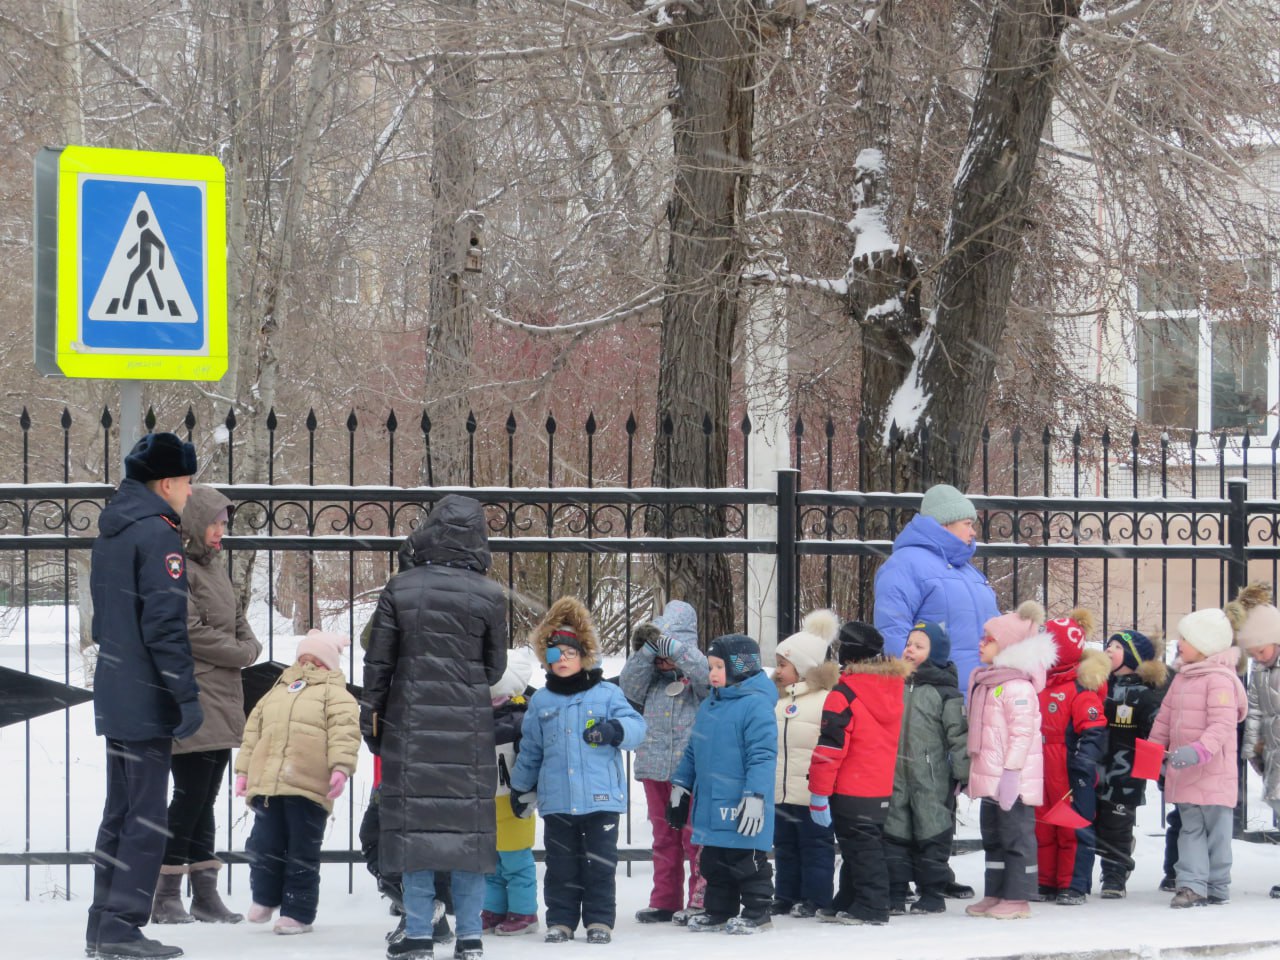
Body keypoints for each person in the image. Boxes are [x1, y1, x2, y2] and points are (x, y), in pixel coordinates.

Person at [363, 494, 508, 960]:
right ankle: (470, 938)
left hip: (410, 726)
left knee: (415, 839)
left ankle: (420, 936)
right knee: (467, 840)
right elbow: (493, 666)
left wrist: (374, 722)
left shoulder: (401, 588)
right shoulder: (489, 595)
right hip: (466, 729)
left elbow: (378, 664)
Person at [87, 432, 202, 960]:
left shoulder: (113, 529)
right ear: (168, 482)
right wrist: (185, 696)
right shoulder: (157, 536)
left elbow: (107, 619)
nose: (190, 494)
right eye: (188, 483)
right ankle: (123, 926)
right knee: (146, 818)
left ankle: (104, 923)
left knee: (122, 811)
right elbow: (163, 626)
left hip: (116, 689)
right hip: (146, 695)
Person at [151, 485, 262, 926]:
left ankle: (205, 894)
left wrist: (248, 646)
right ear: (196, 523)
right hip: (193, 696)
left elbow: (240, 622)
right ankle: (165, 893)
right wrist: (240, 652)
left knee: (205, 798)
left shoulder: (216, 569)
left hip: (224, 696)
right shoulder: (178, 568)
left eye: (225, 523)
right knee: (189, 795)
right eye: (215, 522)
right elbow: (190, 630)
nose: (221, 531)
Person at [508, 597, 646, 945]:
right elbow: (531, 750)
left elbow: (637, 727)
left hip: (601, 799)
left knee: (600, 866)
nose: (563, 660)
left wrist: (615, 730)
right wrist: (521, 788)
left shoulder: (606, 693)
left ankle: (599, 920)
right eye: (554, 654)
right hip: (557, 800)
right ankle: (562, 921)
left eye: (570, 653)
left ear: (584, 656)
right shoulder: (541, 702)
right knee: (561, 866)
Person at [234, 630, 360, 934]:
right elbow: (253, 733)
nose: (309, 663)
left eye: (316, 659)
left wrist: (341, 768)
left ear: (329, 663)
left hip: (308, 785)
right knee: (264, 844)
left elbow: (345, 733)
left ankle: (298, 912)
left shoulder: (336, 694)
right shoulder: (278, 690)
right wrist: (244, 771)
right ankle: (265, 898)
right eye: (304, 657)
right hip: (269, 786)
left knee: (301, 850)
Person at [669, 634, 778, 934]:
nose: (712, 673)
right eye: (710, 667)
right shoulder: (710, 705)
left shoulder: (755, 706)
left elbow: (763, 756)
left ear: (741, 668)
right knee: (715, 862)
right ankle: (719, 909)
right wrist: (681, 785)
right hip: (711, 800)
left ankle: (758, 912)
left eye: (719, 667)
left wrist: (755, 796)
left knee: (746, 859)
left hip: (742, 801)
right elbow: (693, 750)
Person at [807, 621, 907, 926]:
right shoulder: (890, 689)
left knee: (861, 849)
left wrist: (819, 791)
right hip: (877, 786)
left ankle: (873, 904)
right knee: (860, 845)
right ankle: (849, 898)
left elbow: (831, 747)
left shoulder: (844, 694)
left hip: (850, 786)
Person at [617, 599, 709, 925]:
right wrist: (646, 650)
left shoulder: (697, 682)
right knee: (664, 837)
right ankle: (664, 900)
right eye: (660, 651)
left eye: (672, 650)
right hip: (655, 769)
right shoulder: (651, 681)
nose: (665, 658)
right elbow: (627, 684)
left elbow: (706, 675)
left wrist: (679, 651)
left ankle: (700, 899)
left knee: (693, 837)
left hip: (690, 773)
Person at [1149, 608, 1248, 908]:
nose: (1179, 643)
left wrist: (1199, 750)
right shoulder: (1181, 678)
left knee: (1217, 832)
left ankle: (1217, 883)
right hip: (1185, 770)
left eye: (1186, 638)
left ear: (1205, 645)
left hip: (1213, 770)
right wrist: (1154, 750)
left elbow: (1222, 725)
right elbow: (1164, 719)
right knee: (1189, 827)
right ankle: (1191, 884)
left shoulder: (1219, 681)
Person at [964, 600, 1053, 921]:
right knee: (995, 837)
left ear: (1008, 647)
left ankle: (1018, 896)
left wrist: (1012, 775)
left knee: (1016, 836)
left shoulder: (1016, 687)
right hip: (993, 777)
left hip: (1012, 779)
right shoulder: (991, 683)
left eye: (988, 639)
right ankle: (997, 891)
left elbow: (1021, 734)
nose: (981, 643)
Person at [873, 483, 1000, 696]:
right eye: (967, 524)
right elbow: (893, 629)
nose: (973, 532)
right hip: (934, 701)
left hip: (981, 696)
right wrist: (914, 688)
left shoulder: (970, 573)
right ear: (945, 524)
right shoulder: (905, 565)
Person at [885, 620, 970, 916]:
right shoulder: (893, 684)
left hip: (932, 778)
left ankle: (932, 892)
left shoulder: (946, 692)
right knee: (894, 831)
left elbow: (958, 735)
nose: (909, 649)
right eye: (909, 643)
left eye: (919, 646)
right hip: (895, 774)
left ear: (935, 654)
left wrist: (963, 772)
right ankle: (895, 890)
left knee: (932, 831)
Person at [1035, 611, 1109, 905]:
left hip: (1068, 769)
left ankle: (1073, 884)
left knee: (1073, 826)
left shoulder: (1081, 690)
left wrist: (1082, 763)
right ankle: (1046, 880)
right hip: (1041, 767)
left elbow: (1093, 730)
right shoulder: (1040, 683)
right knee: (1043, 825)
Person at [770, 610, 840, 919]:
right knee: (784, 847)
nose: (778, 671)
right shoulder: (777, 700)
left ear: (802, 667)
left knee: (815, 847)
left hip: (811, 791)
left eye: (783, 664)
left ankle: (817, 897)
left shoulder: (825, 699)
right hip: (782, 791)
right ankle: (786, 894)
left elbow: (828, 745)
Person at [1096, 628, 1167, 898]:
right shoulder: (1099, 685)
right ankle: (1111, 858)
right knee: (1093, 820)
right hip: (1096, 766)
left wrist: (1156, 766)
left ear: (1132, 655)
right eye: (1107, 645)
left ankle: (1115, 873)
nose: (1108, 650)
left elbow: (1154, 733)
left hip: (1126, 772)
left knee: (1117, 823)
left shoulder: (1145, 694)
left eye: (1115, 646)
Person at [483, 650, 539, 936]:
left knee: (516, 861)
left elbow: (532, 757)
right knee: (491, 862)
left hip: (513, 800)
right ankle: (494, 909)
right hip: (484, 801)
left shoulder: (520, 717)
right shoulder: (475, 716)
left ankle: (524, 912)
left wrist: (528, 790)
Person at [1235, 584, 1280, 898]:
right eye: (1251, 653)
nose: (1256, 657)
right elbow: (1254, 711)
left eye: (1260, 650)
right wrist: (1253, 748)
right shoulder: (1260, 670)